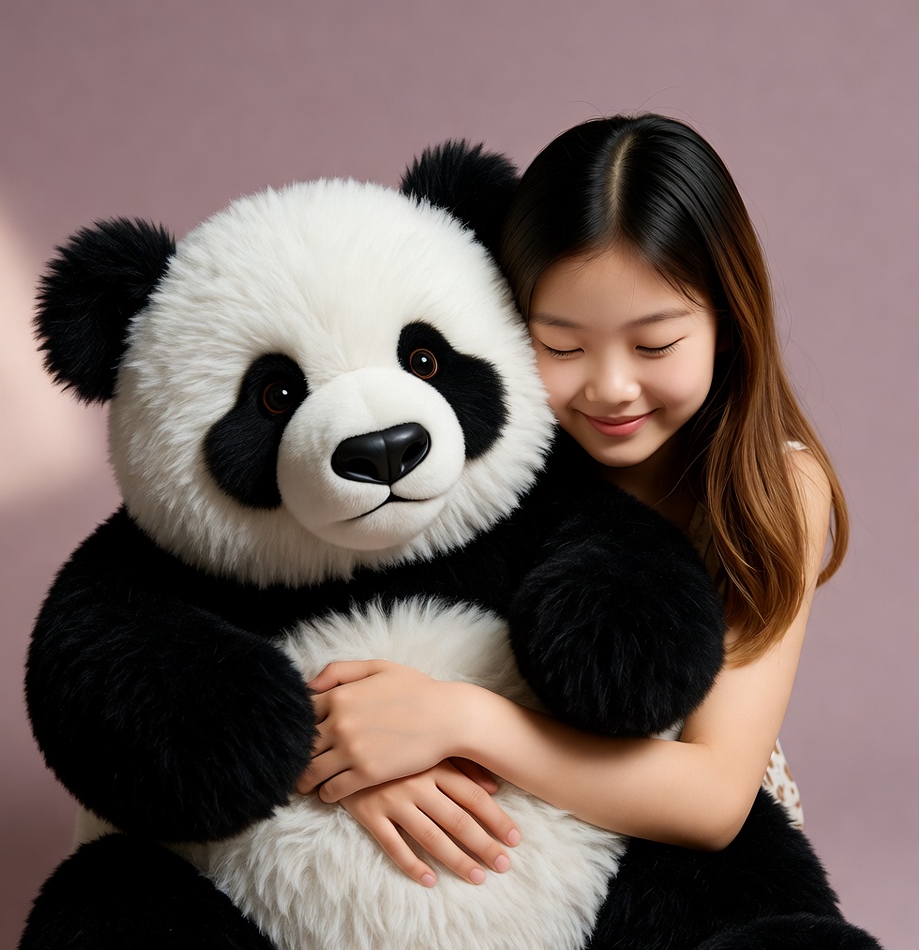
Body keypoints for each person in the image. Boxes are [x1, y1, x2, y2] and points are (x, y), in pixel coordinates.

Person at [295, 114, 849, 891]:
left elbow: (714, 797)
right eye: (561, 346)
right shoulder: (480, 449)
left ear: (727, 322)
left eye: (654, 345)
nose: (611, 387)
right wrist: (361, 760)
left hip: (682, 873)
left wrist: (460, 722)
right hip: (504, 858)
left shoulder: (775, 485)